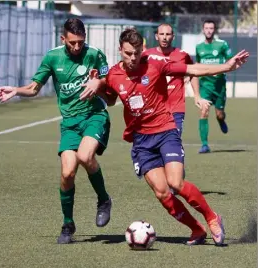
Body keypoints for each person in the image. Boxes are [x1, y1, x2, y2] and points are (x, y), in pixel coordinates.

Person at [81, 28, 248, 246]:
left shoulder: (156, 64)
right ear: (120, 50)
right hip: (141, 141)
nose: (133, 58)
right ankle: (196, 229)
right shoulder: (113, 74)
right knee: (162, 193)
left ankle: (212, 218)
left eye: (137, 52)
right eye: (128, 53)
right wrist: (98, 85)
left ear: (142, 48)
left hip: (166, 131)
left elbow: (192, 69)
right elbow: (111, 99)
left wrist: (226, 66)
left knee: (175, 183)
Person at [0, 18, 112, 244]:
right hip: (69, 123)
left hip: (94, 116)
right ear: (63, 39)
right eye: (72, 43)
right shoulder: (52, 57)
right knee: (67, 173)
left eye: (80, 42)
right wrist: (16, 91)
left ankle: (104, 199)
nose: (77, 47)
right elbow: (34, 87)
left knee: (85, 156)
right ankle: (68, 224)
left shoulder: (95, 54)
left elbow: (109, 80)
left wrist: (98, 84)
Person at [142, 23, 211, 137]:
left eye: (168, 34)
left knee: (174, 142)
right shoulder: (146, 56)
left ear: (173, 37)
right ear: (156, 36)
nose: (164, 37)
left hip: (176, 109)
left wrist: (197, 96)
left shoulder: (182, 55)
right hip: (153, 109)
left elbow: (193, 72)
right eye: (162, 34)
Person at [196, 20, 233, 153]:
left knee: (219, 114)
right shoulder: (199, 47)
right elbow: (198, 65)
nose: (209, 30)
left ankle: (221, 120)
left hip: (219, 86)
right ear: (203, 29)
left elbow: (230, 60)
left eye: (211, 28)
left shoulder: (222, 45)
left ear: (214, 30)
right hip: (205, 86)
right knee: (203, 112)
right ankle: (204, 145)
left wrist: (226, 67)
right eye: (206, 28)